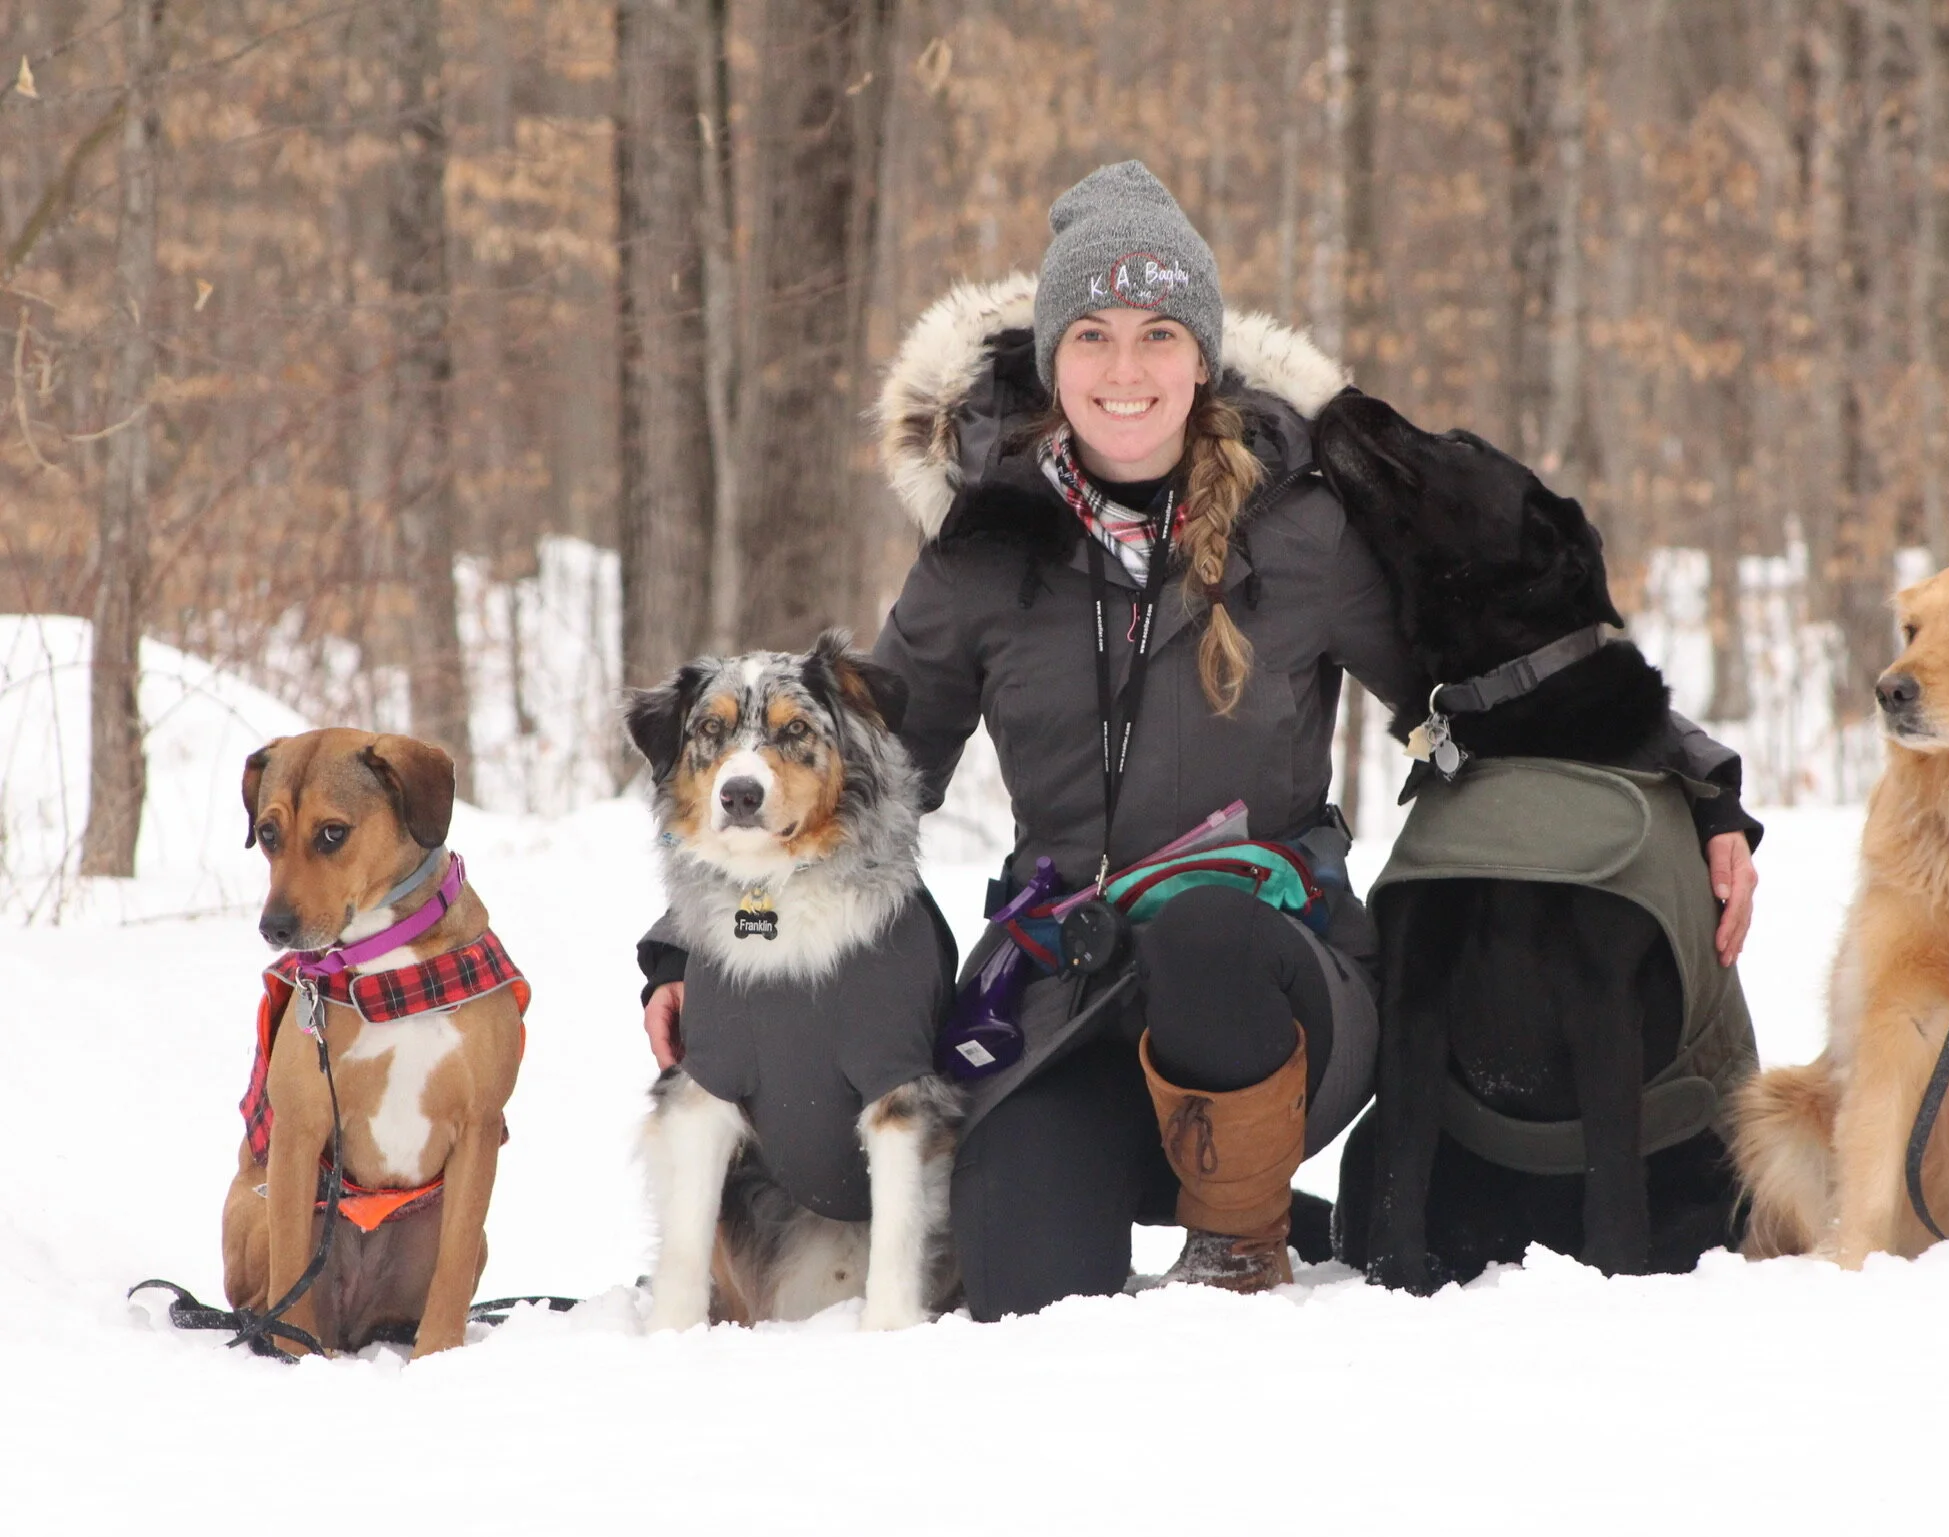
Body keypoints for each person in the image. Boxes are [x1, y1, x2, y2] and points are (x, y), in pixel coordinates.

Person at [641, 160, 1761, 1317]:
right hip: (1060, 990)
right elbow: (849, 777)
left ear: (1202, 353)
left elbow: (1493, 679)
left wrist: (1696, 786)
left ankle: (1238, 1237)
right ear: (1050, 359)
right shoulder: (983, 553)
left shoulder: (1305, 528)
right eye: (1092, 336)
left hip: (1277, 972)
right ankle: (1183, 1196)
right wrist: (686, 946)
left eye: (1158, 334)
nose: (1125, 372)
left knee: (1204, 931)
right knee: (1021, 1289)